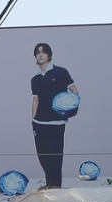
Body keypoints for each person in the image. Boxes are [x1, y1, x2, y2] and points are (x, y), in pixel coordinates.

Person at [30, 42, 78, 189]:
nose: (41, 54)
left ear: (49, 55)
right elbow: (35, 101)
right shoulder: (35, 79)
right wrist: (33, 121)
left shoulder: (61, 72)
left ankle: (55, 185)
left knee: (55, 157)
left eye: (43, 52)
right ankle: (49, 184)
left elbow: (74, 92)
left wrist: (66, 109)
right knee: (43, 157)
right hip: (40, 123)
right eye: (38, 52)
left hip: (56, 123)